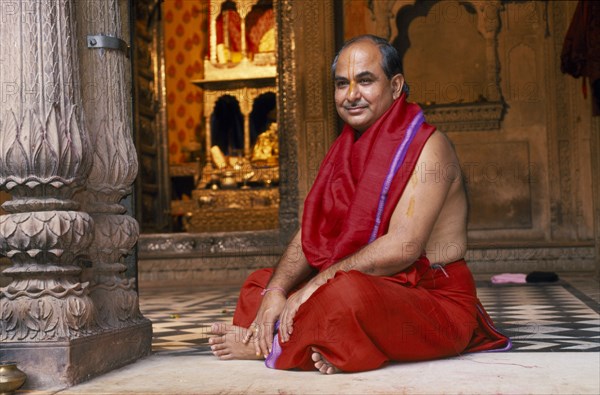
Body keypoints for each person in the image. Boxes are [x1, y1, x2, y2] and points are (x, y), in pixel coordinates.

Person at [208, 34, 510, 374]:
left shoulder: (429, 147)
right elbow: (314, 234)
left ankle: (270, 344)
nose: (351, 95)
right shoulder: (346, 148)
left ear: (396, 86)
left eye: (365, 81)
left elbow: (402, 247)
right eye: (341, 84)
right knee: (259, 286)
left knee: (347, 296)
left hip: (430, 301)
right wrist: (279, 290)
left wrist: (313, 288)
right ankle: (332, 344)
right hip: (376, 285)